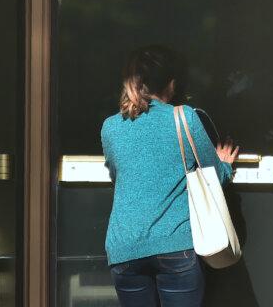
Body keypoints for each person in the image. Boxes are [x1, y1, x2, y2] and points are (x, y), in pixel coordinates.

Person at [101, 45, 239, 307]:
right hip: (175, 247)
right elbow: (213, 177)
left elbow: (117, 175)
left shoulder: (110, 127)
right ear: (172, 84)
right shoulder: (184, 117)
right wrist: (226, 165)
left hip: (124, 248)